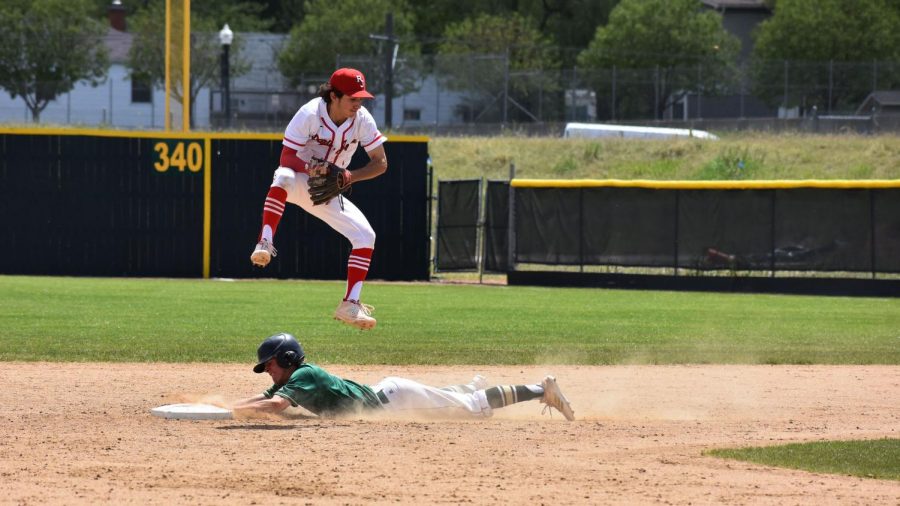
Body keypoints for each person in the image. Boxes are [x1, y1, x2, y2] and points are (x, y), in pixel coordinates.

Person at [250, 68, 387, 330]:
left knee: (366, 236)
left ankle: (350, 304)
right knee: (283, 177)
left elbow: (380, 163)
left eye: (361, 99)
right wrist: (316, 170)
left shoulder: (362, 120)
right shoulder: (310, 114)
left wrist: (348, 177)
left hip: (330, 189)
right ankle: (265, 241)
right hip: (302, 180)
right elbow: (287, 157)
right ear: (333, 96)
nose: (358, 104)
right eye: (352, 98)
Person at [232, 333, 576, 421]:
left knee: (472, 410)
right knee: (444, 399)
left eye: (271, 364)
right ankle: (464, 388)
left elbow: (275, 406)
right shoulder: (296, 377)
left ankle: (540, 389)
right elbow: (266, 398)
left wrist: (231, 410)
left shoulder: (303, 375)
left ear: (288, 359)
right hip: (390, 393)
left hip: (393, 403)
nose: (269, 371)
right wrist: (230, 405)